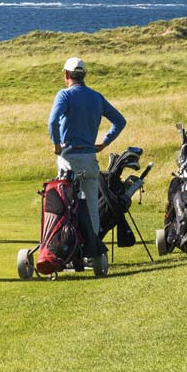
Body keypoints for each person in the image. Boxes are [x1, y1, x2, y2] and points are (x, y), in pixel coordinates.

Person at [47, 56, 126, 245]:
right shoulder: (96, 97)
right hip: (90, 158)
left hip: (69, 159)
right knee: (91, 206)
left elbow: (52, 122)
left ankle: (66, 245)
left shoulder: (64, 95)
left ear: (66, 75)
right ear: (84, 75)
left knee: (65, 207)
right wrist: (104, 143)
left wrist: (57, 144)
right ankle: (94, 248)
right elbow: (120, 122)